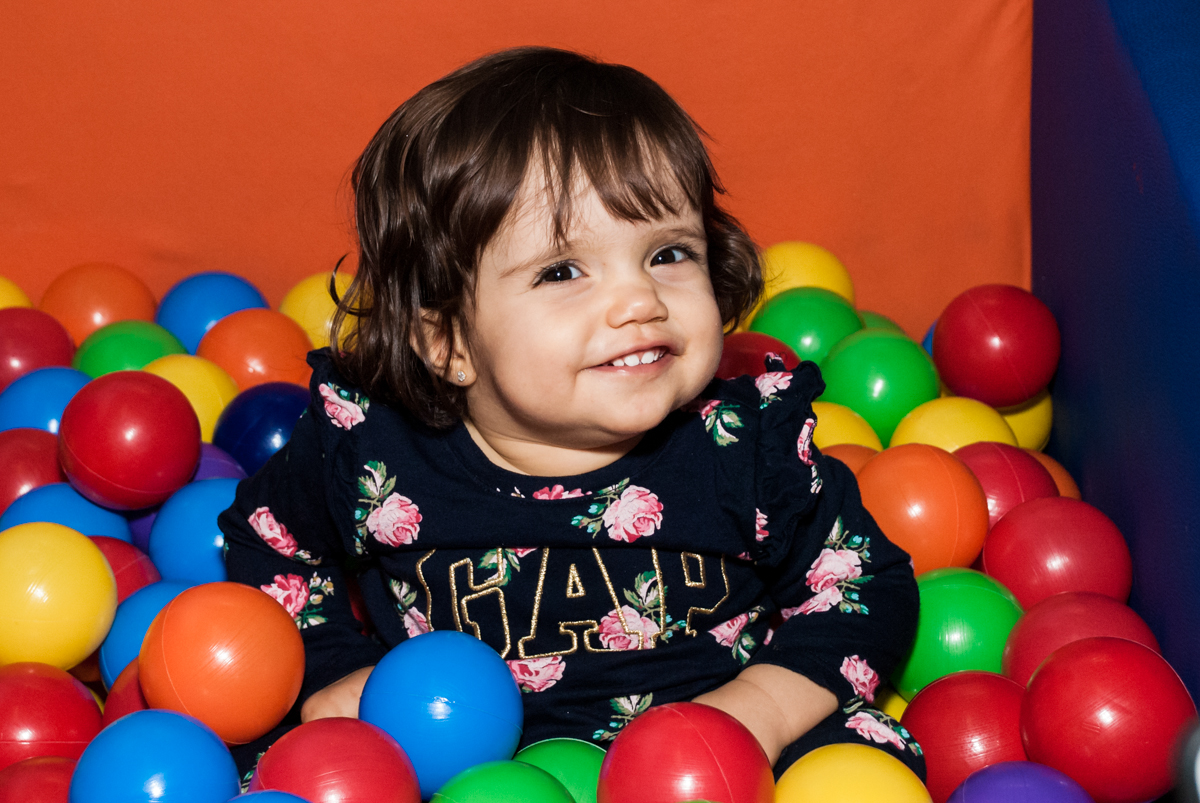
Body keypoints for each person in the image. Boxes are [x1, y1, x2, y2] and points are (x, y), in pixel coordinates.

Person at [220, 45, 923, 781]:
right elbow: (272, 543)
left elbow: (862, 584)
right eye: (562, 271)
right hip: (451, 766)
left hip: (709, 760)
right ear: (449, 340)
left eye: (668, 254)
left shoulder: (747, 446)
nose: (640, 301)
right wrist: (336, 664)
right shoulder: (374, 449)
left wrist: (762, 709)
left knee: (859, 761)